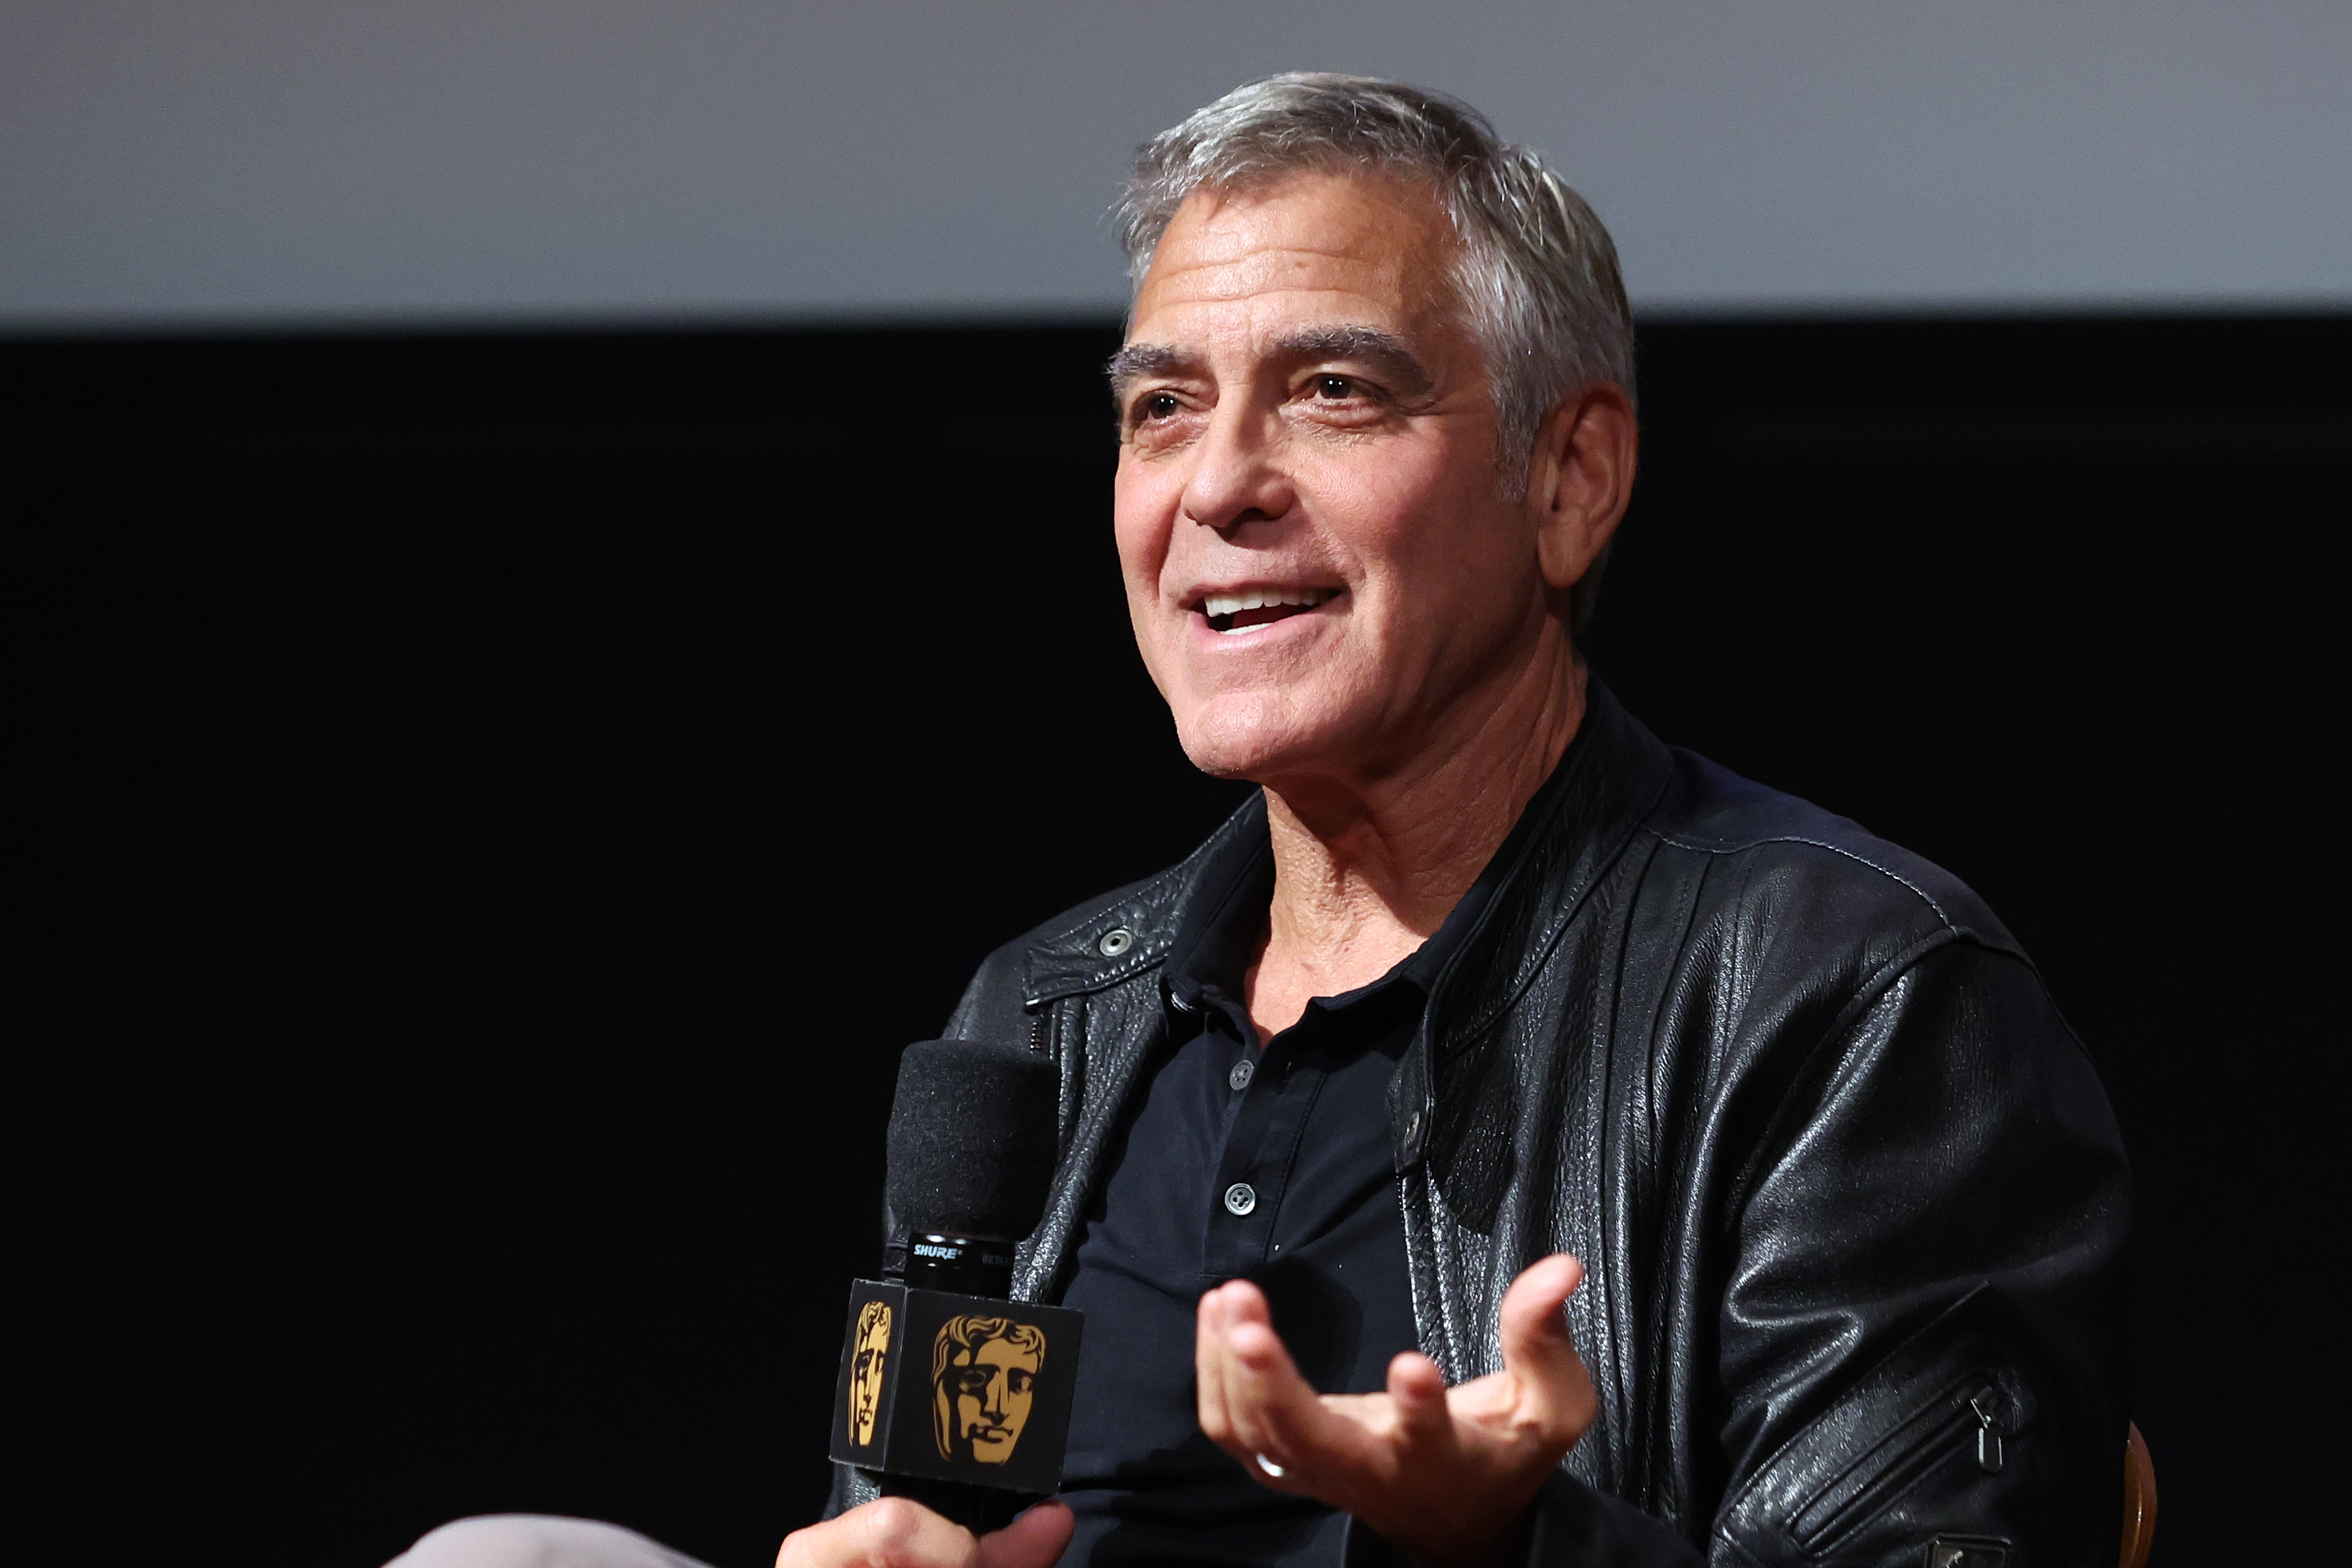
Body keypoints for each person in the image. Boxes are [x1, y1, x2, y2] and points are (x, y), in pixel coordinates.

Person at [394, 73, 2130, 1568]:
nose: (1217, 486)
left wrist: (1505, 1543)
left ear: (1569, 479)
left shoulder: (1847, 997)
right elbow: (910, 1498)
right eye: (1163, 408)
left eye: (1333, 392)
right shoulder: (1047, 1019)